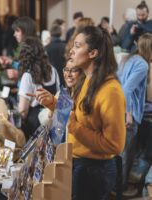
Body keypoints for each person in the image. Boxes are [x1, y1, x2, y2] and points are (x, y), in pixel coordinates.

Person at [67, 26, 126, 200]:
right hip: (82, 165)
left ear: (93, 53)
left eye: (77, 46)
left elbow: (114, 144)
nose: (72, 51)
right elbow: (81, 118)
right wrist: (52, 104)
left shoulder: (110, 91)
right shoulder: (88, 80)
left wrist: (74, 128)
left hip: (95, 171)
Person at [117, 33, 152, 195]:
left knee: (123, 152)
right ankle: (120, 189)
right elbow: (126, 90)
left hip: (120, 110)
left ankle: (118, 187)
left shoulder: (129, 59)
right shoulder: (143, 65)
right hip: (128, 114)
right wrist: (129, 113)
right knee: (126, 154)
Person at [17, 37, 60, 138]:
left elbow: (23, 110)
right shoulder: (52, 70)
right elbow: (58, 95)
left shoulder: (28, 76)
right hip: (51, 121)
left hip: (35, 125)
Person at [0, 16, 36, 81]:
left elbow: (35, 74)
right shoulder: (24, 46)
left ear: (26, 31)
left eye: (17, 31)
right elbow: (24, 67)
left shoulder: (32, 48)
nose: (14, 34)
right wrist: (11, 62)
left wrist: (18, 74)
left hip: (28, 90)